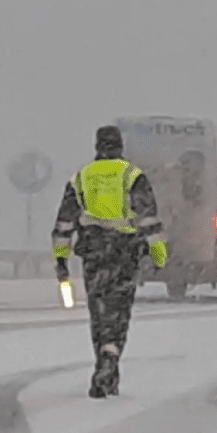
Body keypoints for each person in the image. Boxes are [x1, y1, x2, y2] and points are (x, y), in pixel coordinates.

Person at [51, 126, 169, 398]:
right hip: (124, 252)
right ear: (120, 146)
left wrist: (61, 258)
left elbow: (65, 222)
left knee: (99, 309)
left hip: (93, 251)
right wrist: (159, 255)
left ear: (97, 146)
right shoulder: (132, 176)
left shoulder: (81, 178)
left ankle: (104, 361)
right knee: (119, 310)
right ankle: (111, 357)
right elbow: (149, 220)